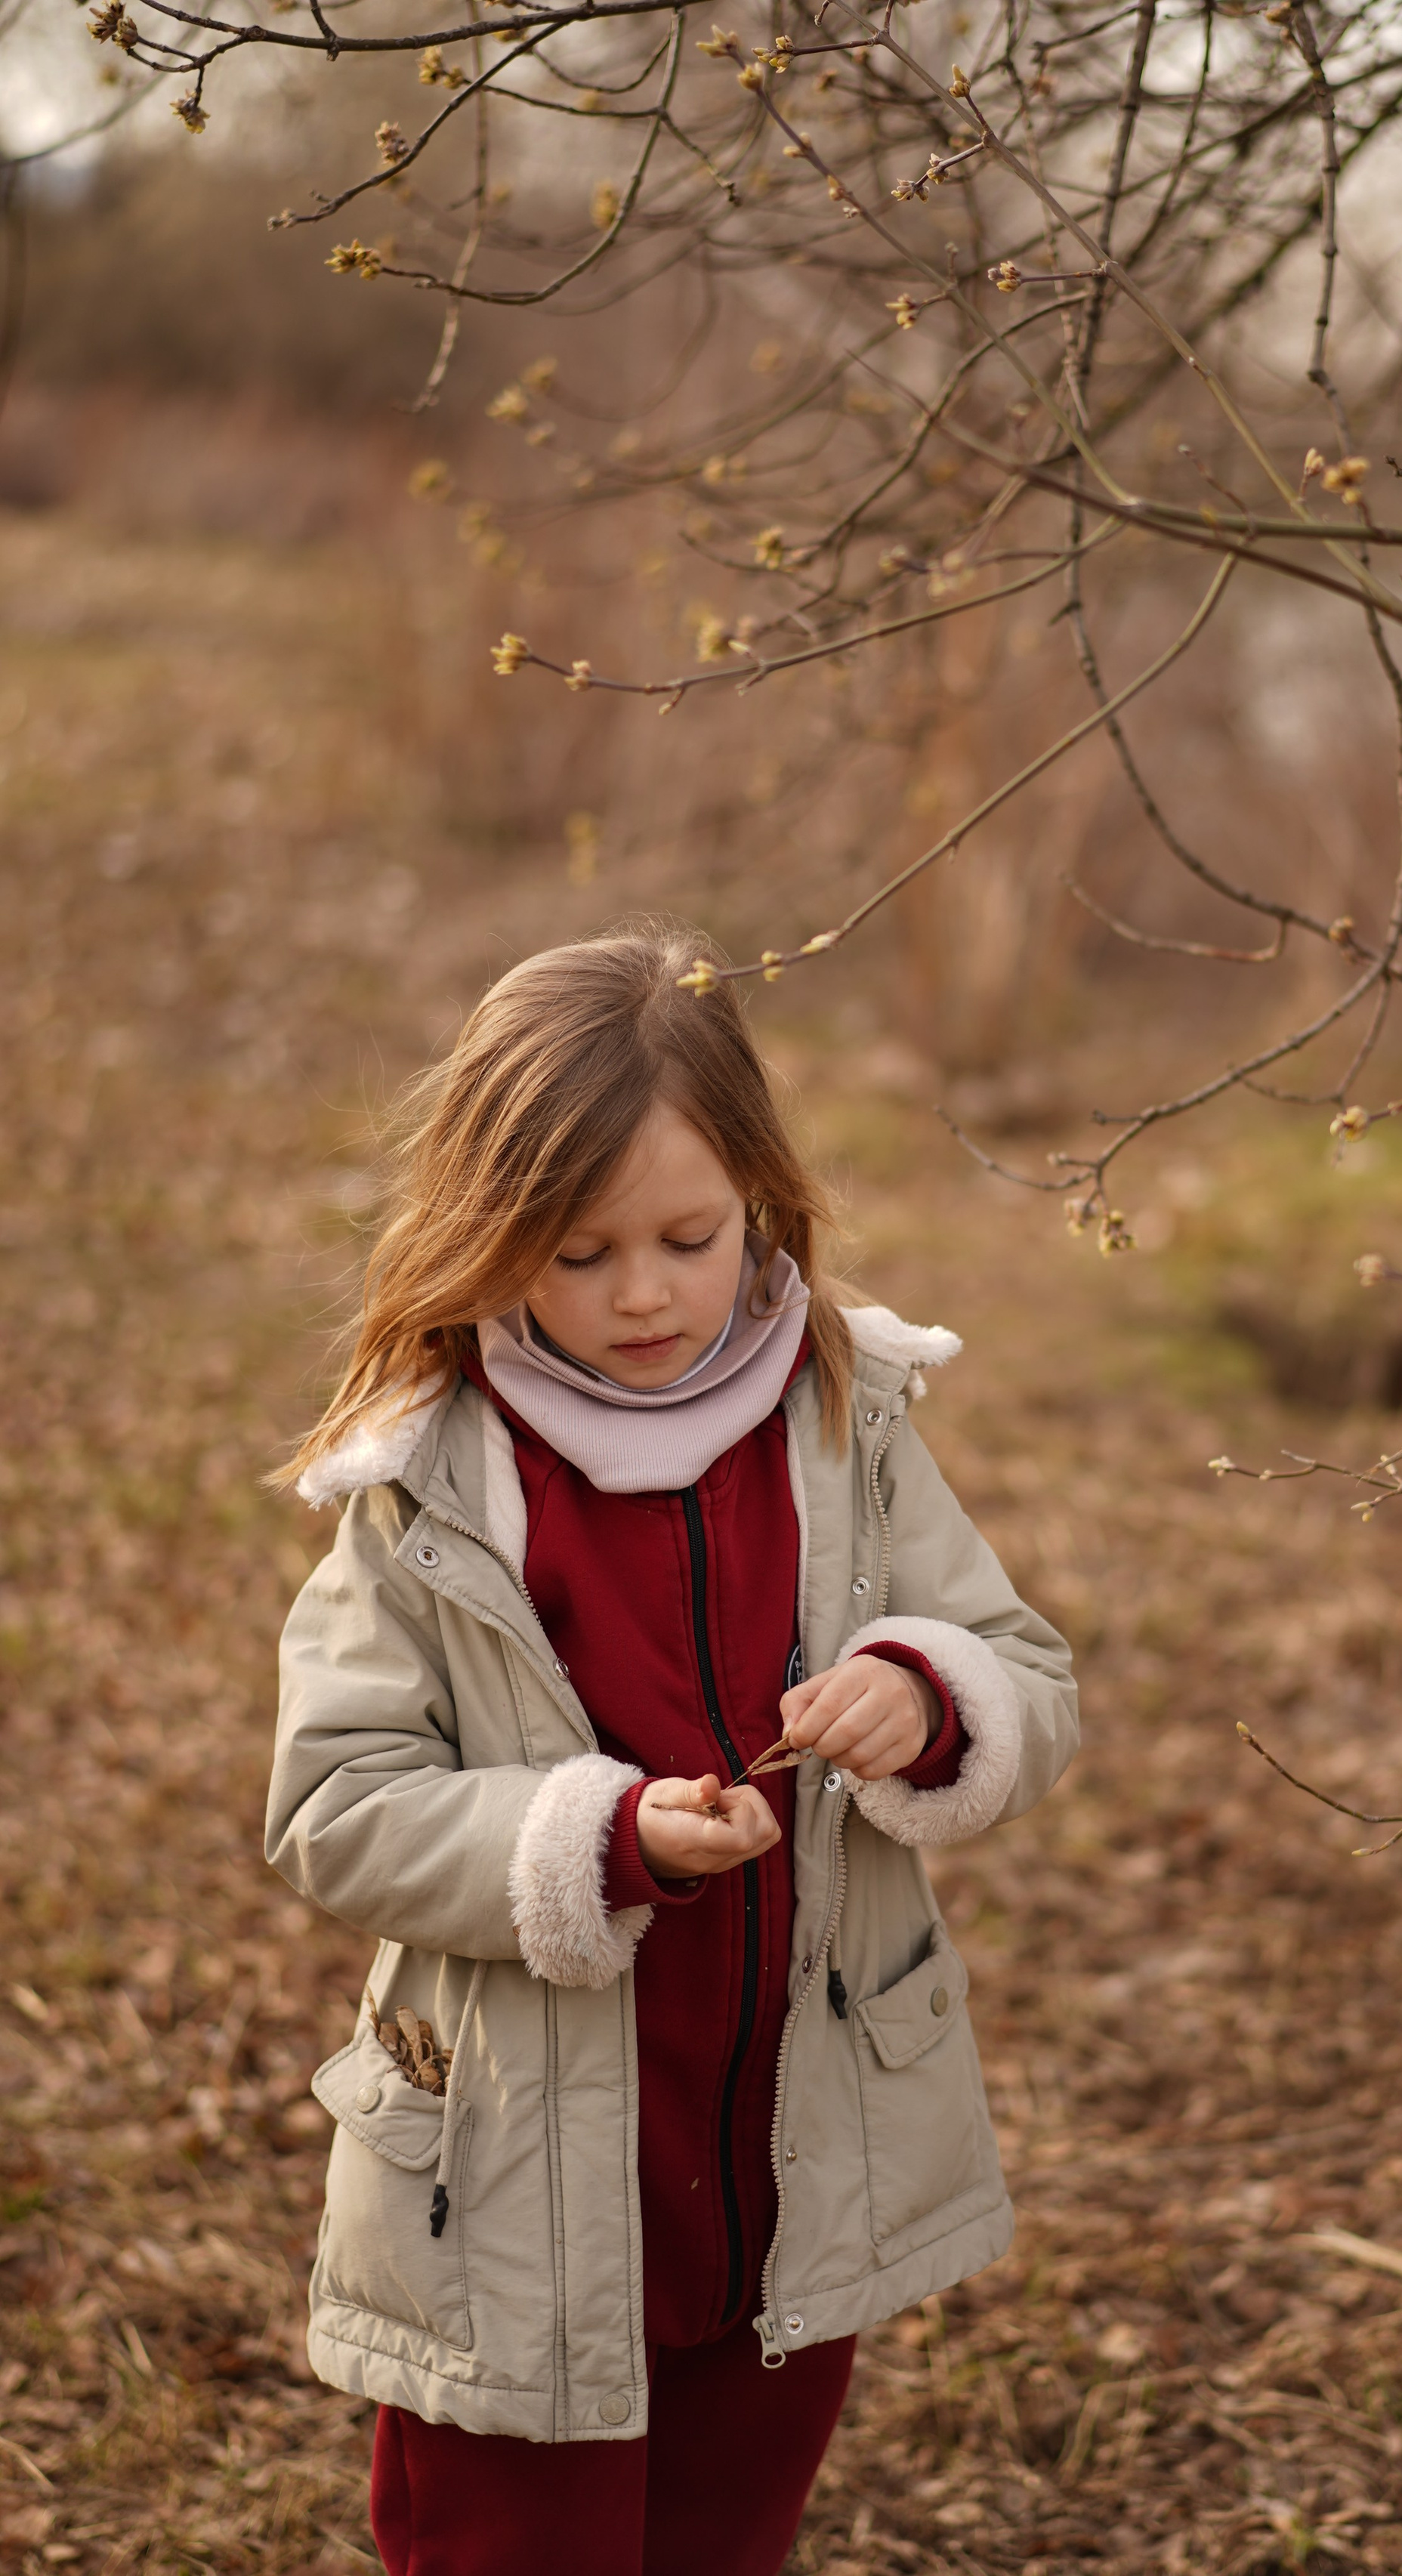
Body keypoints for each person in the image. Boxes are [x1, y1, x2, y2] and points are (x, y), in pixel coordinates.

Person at [266, 923, 1079, 2576]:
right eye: (577, 1254)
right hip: (519, 2183)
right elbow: (336, 1804)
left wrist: (926, 1695)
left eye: (687, 1239)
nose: (641, 1293)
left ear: (758, 1198)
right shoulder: (435, 1477)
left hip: (791, 2146)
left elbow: (1027, 1671)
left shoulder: (840, 1409)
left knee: (726, 2534)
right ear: (491, 1234)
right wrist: (600, 1838)